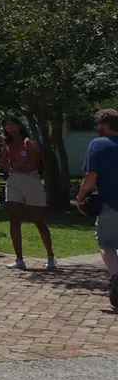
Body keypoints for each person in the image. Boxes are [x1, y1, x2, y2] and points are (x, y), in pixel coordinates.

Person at [72, 107, 118, 311]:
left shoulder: (98, 144)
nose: (96, 128)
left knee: (106, 243)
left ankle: (116, 277)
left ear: (105, 125)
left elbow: (91, 176)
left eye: (98, 124)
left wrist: (80, 196)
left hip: (110, 202)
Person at [0, 118, 57, 271]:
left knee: (38, 220)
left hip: (31, 180)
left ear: (19, 126)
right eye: (7, 126)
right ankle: (19, 259)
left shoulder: (29, 143)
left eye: (12, 125)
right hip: (14, 182)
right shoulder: (8, 145)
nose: (10, 128)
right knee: (14, 220)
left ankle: (50, 255)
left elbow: (33, 165)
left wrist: (17, 169)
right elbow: (4, 165)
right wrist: (4, 146)